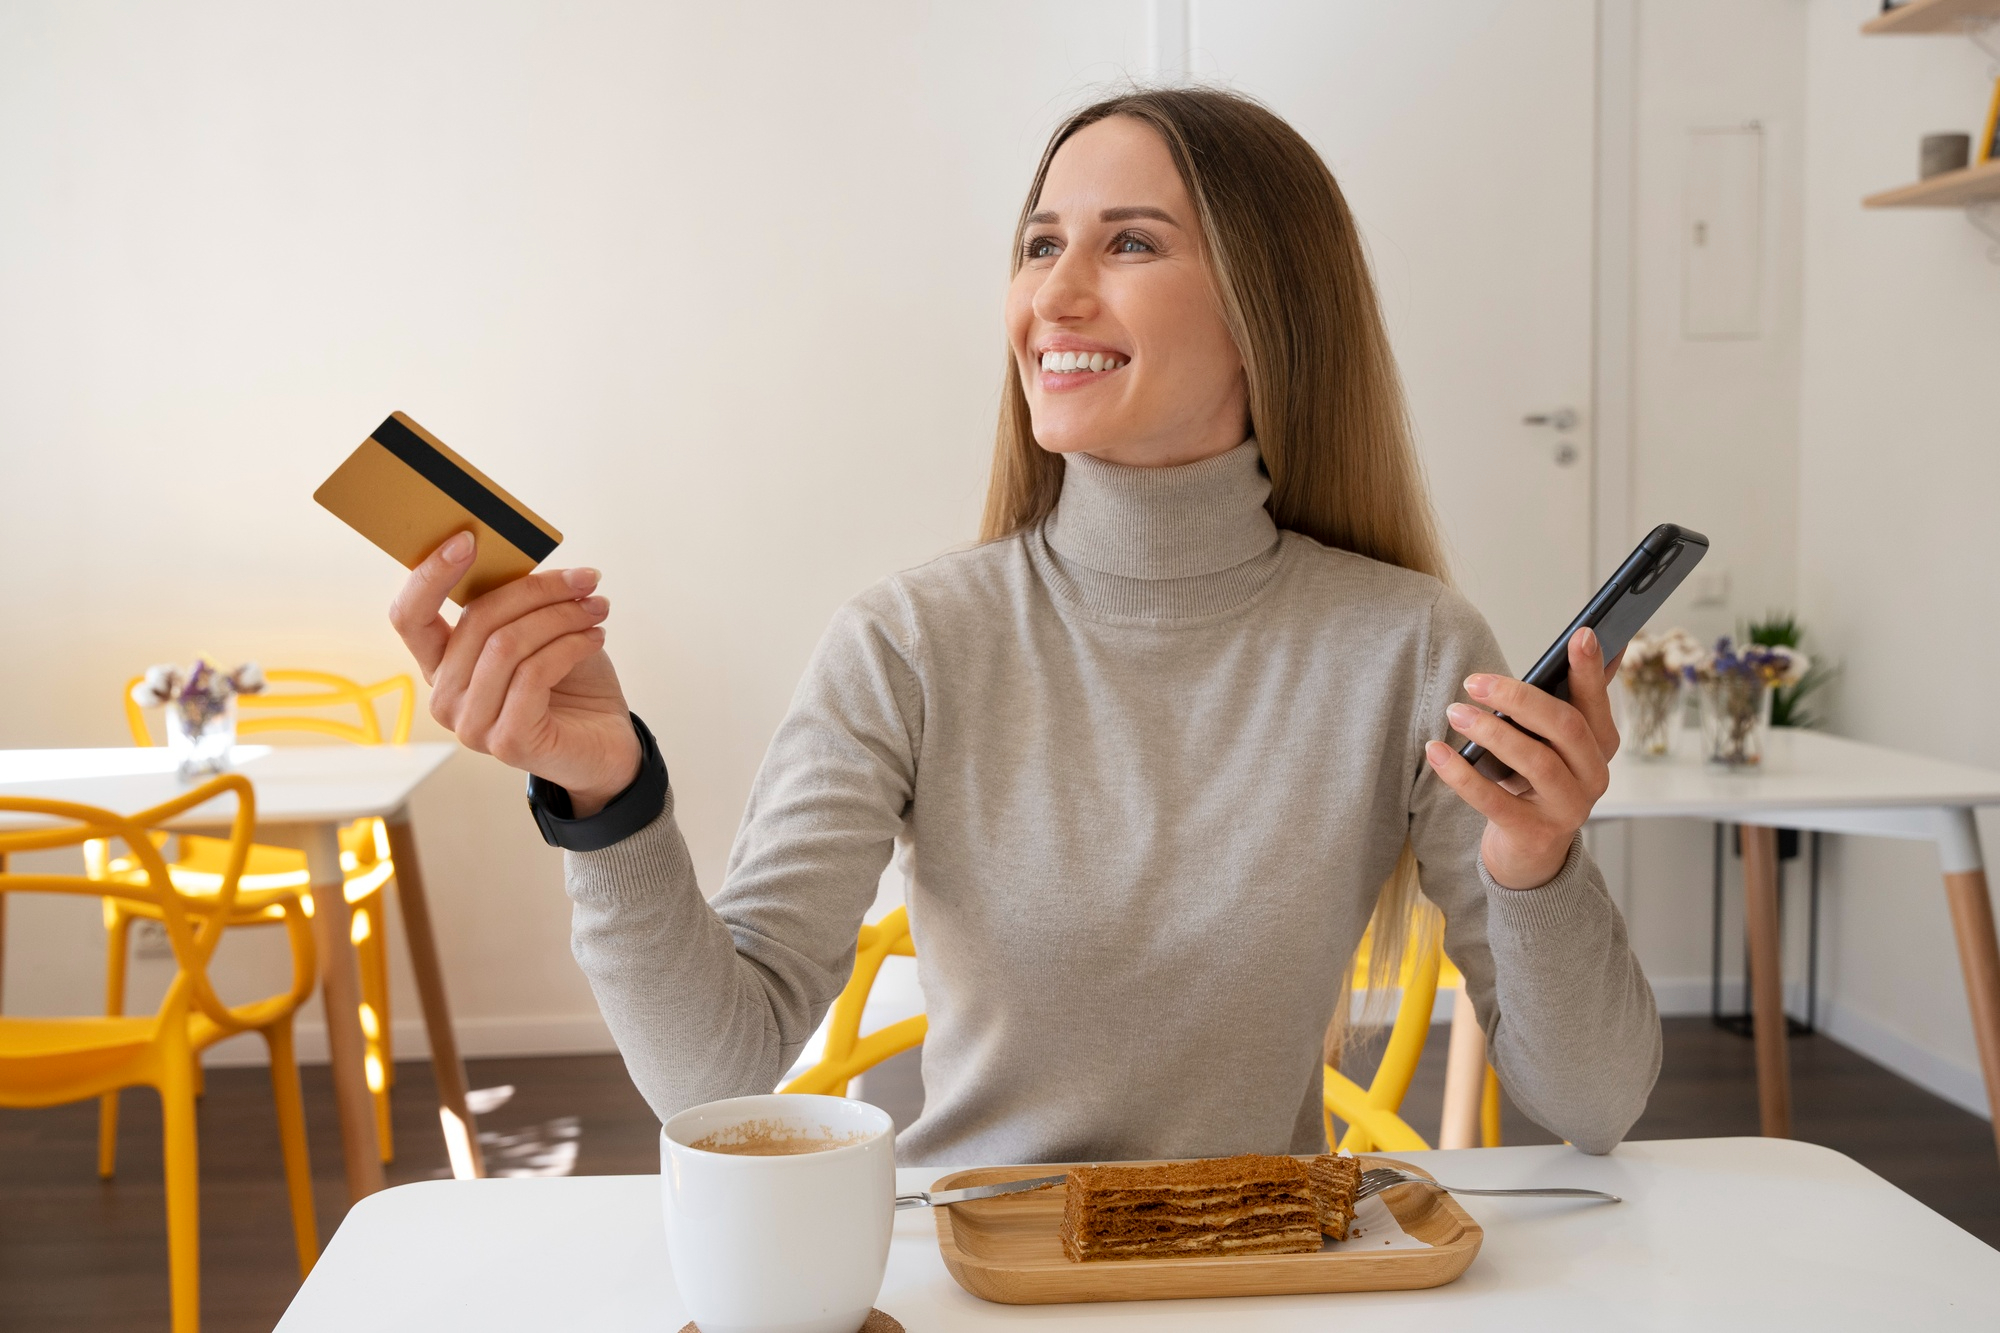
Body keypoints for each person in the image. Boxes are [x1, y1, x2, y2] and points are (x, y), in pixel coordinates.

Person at [388, 87, 1659, 1165]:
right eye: (1039, 243)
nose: (1053, 293)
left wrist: (1534, 867)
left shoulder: (1407, 647)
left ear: (1265, 309)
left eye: (1129, 244)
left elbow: (1591, 1103)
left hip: (1261, 1281)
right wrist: (605, 796)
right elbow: (715, 1069)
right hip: (975, 1282)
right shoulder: (909, 642)